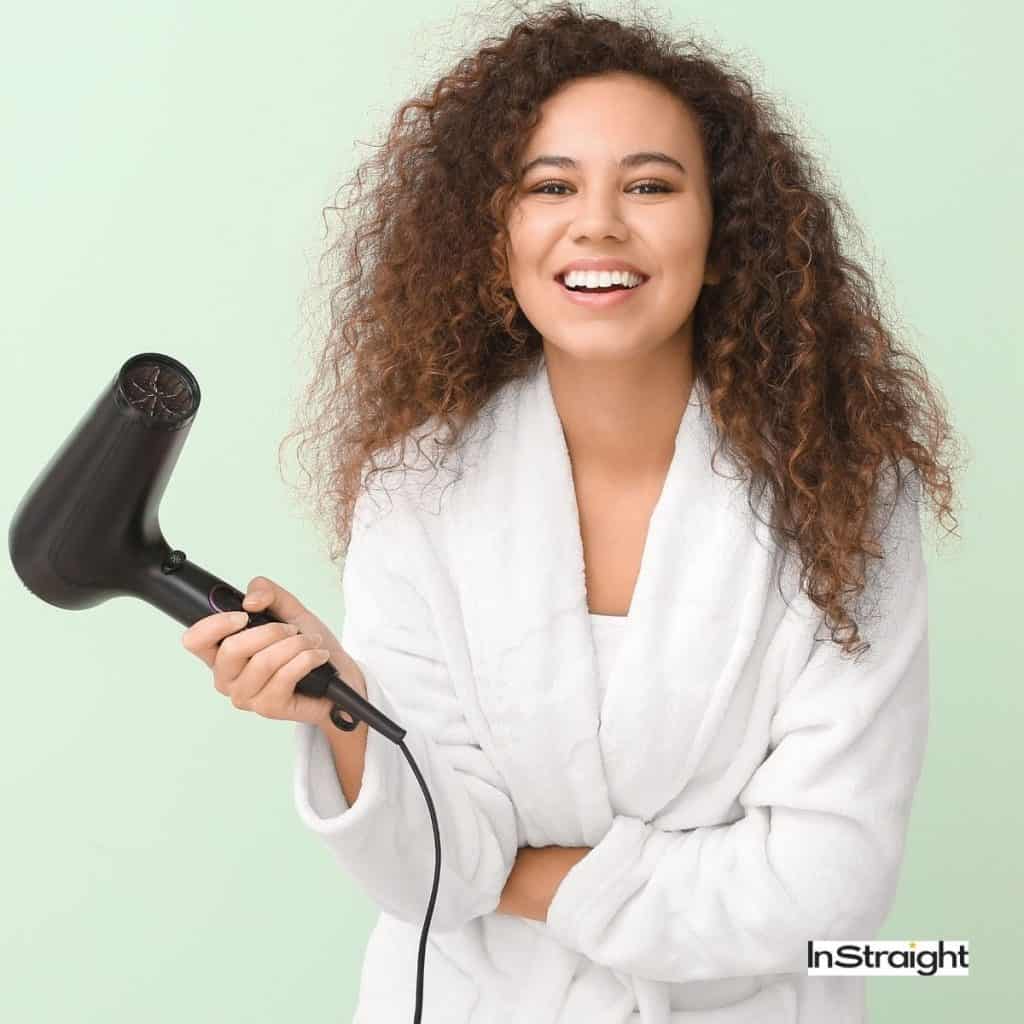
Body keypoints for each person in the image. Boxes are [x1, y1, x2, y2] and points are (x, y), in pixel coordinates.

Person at [183, 3, 964, 1021]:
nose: (596, 222)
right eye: (550, 186)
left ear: (723, 237)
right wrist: (344, 707)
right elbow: (424, 872)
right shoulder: (415, 487)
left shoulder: (848, 491)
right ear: (494, 240)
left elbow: (827, 891)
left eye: (648, 185)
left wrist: (524, 880)